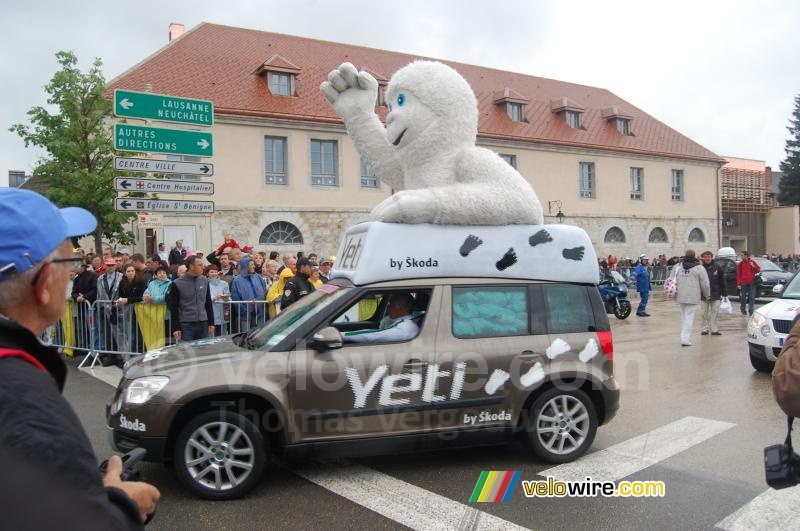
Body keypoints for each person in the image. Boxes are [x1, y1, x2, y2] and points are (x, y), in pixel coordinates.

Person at [0, 188, 159, 528]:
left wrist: (81, 486)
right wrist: (120, 504)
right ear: (44, 284)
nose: (72, 274)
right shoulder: (22, 397)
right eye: (68, 263)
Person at [166, 255, 214, 342]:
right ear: (191, 266)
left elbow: (208, 302)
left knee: (204, 351)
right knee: (188, 352)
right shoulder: (177, 283)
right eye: (199, 265)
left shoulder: (204, 281)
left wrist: (211, 322)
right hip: (186, 324)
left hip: (203, 322)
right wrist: (175, 328)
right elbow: (174, 307)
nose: (202, 267)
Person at [342, 294, 420, 343]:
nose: (388, 307)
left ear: (401, 309)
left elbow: (373, 336)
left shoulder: (405, 327)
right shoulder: (407, 322)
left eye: (391, 304)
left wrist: (342, 335)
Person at [673, 249, 710, 347]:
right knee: (689, 317)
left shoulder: (678, 266)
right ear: (694, 256)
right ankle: (685, 339)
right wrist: (707, 295)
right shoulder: (699, 268)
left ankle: (683, 337)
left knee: (684, 316)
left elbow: (672, 279)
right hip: (693, 295)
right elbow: (705, 284)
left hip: (681, 295)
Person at [116, 264, 147, 357]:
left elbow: (142, 296)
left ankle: (141, 352)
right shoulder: (122, 282)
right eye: (128, 271)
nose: (131, 273)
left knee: (139, 332)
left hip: (139, 309)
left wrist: (128, 300)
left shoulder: (141, 281)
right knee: (130, 332)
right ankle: (132, 353)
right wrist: (120, 300)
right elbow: (120, 294)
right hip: (127, 310)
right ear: (125, 273)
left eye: (132, 271)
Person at [230, 256, 267, 330]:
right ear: (245, 266)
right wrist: (244, 310)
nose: (253, 266)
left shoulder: (257, 277)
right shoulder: (237, 280)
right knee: (246, 335)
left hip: (259, 312)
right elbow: (235, 298)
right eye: (251, 265)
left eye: (253, 264)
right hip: (245, 315)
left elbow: (264, 290)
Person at [96, 255, 123, 355]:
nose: (110, 267)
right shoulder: (100, 279)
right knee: (107, 333)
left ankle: (122, 355)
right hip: (105, 310)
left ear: (115, 266)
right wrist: (100, 307)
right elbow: (98, 294)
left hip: (118, 309)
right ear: (105, 266)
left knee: (120, 333)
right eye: (108, 265)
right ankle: (110, 354)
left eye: (112, 265)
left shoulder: (121, 277)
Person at [700, 251, 728, 336]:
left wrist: (724, 293)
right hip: (703, 294)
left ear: (712, 257)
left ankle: (714, 330)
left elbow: (722, 280)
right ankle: (704, 329)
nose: (707, 258)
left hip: (716, 293)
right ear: (703, 258)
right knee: (704, 313)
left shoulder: (717, 267)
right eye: (705, 257)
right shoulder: (700, 268)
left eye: (709, 257)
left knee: (714, 312)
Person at [206, 265, 231, 336]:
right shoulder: (205, 283)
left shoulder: (224, 283)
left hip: (222, 314)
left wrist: (226, 298)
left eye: (215, 272)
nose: (214, 274)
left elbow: (229, 298)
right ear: (207, 273)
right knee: (211, 337)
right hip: (210, 314)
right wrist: (213, 298)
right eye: (211, 272)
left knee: (222, 337)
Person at [736, 250, 761, 316]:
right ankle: (743, 310)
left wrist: (753, 266)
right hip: (743, 283)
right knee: (743, 297)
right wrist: (738, 284)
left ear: (746, 255)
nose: (741, 256)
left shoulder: (752, 262)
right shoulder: (740, 264)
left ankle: (751, 311)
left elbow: (758, 270)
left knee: (752, 297)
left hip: (752, 282)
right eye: (741, 255)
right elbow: (738, 275)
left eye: (742, 255)